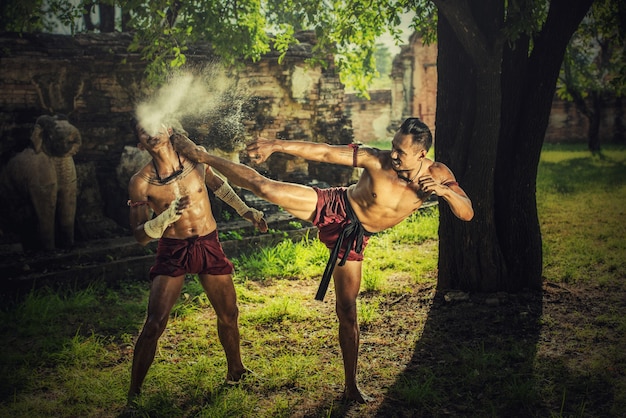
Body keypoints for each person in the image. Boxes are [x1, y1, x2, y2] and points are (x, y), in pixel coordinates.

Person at [171, 117, 474, 404]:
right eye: (393, 146)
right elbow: (325, 153)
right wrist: (276, 144)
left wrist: (445, 194)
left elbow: (467, 212)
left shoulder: (438, 176)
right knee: (264, 187)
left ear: (422, 154)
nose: (393, 155)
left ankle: (351, 385)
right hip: (336, 205)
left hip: (356, 236)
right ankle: (201, 155)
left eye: (401, 151)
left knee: (347, 309)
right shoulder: (376, 158)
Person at [126, 118, 268, 403]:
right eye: (143, 130)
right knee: (154, 323)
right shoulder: (141, 182)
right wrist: (166, 217)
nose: (151, 132)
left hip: (208, 243)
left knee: (229, 314)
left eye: (155, 124)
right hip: (173, 249)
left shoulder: (196, 157)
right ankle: (134, 395)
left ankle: (236, 371)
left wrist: (246, 211)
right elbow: (141, 236)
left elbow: (219, 186)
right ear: (140, 141)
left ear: (168, 129)